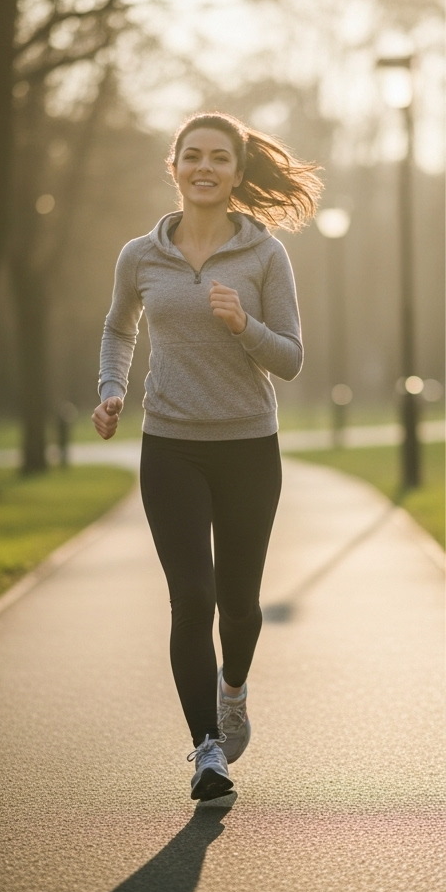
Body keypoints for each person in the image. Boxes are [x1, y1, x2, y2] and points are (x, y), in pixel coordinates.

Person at [93, 111, 322, 800]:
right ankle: (206, 750)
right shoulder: (141, 255)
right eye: (192, 155)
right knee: (191, 600)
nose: (204, 167)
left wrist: (243, 324)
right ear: (174, 166)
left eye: (219, 158)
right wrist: (111, 391)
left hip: (250, 446)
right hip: (170, 446)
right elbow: (117, 327)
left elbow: (291, 359)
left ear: (236, 171)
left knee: (239, 605)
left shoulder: (264, 255)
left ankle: (233, 689)